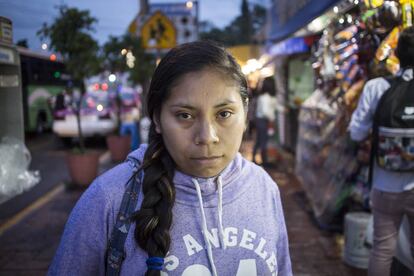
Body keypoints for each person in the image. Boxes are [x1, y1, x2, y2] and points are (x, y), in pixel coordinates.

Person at [48, 41, 292, 276]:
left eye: (224, 113)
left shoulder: (263, 188)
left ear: (246, 112)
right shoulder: (108, 200)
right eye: (185, 116)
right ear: (157, 119)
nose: (207, 137)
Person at [348, 26, 414, 276]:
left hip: (386, 184)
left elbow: (356, 132)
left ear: (397, 53)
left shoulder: (377, 87)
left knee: (383, 249)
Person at [252, 77, 278, 166]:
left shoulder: (263, 96)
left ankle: (254, 158)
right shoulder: (265, 97)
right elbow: (266, 111)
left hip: (260, 120)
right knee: (263, 141)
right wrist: (272, 119)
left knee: (259, 140)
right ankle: (264, 161)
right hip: (263, 120)